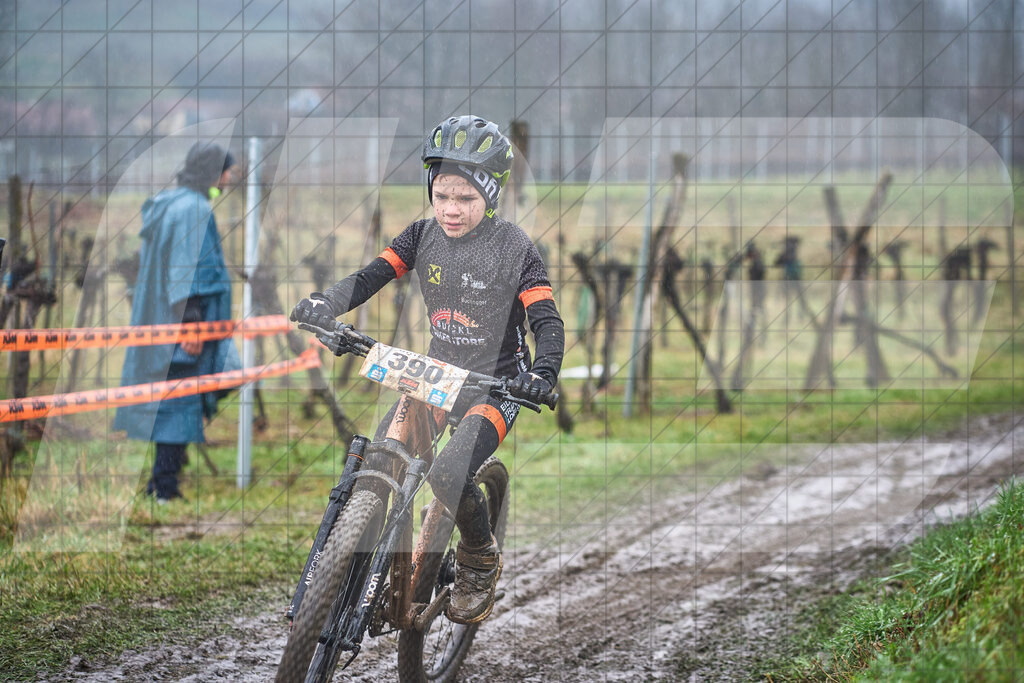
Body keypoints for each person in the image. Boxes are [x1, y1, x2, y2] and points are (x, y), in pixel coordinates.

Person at [291, 115, 564, 625]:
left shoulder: (515, 250)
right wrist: (324, 305)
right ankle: (352, 579)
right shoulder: (422, 235)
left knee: (448, 471)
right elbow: (369, 277)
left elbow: (545, 319)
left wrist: (543, 372)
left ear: (491, 196)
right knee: (378, 462)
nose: (451, 209)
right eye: (442, 195)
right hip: (436, 375)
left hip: (494, 387)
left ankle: (479, 556)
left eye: (465, 198)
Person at [114, 142, 241, 503]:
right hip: (182, 323)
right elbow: (187, 268)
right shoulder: (194, 209)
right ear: (212, 172)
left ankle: (165, 475)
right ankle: (164, 485)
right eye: (226, 170)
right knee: (180, 401)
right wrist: (191, 323)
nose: (229, 178)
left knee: (180, 397)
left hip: (162, 318)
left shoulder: (171, 203)